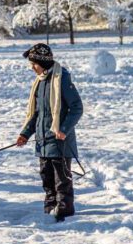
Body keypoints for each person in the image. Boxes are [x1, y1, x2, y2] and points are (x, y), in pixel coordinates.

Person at [16, 43, 83, 221]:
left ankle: (64, 213)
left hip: (59, 141)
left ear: (42, 62)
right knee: (47, 180)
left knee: (62, 181)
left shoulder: (62, 79)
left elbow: (77, 108)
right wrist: (25, 134)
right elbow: (36, 113)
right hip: (42, 140)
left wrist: (63, 129)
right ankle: (50, 210)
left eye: (33, 64)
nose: (31, 67)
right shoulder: (40, 82)